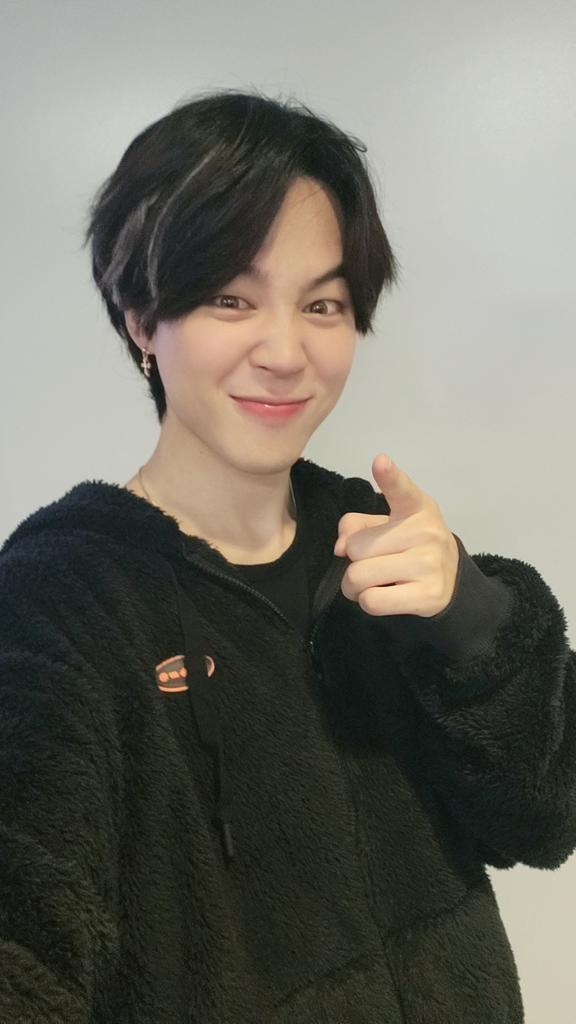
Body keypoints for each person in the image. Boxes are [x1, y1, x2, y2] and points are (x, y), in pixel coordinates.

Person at [0, 87, 574, 1024]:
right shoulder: (59, 603)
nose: (284, 351)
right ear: (141, 319)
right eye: (231, 298)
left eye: (323, 304)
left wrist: (473, 620)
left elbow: (545, 820)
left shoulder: (373, 542)